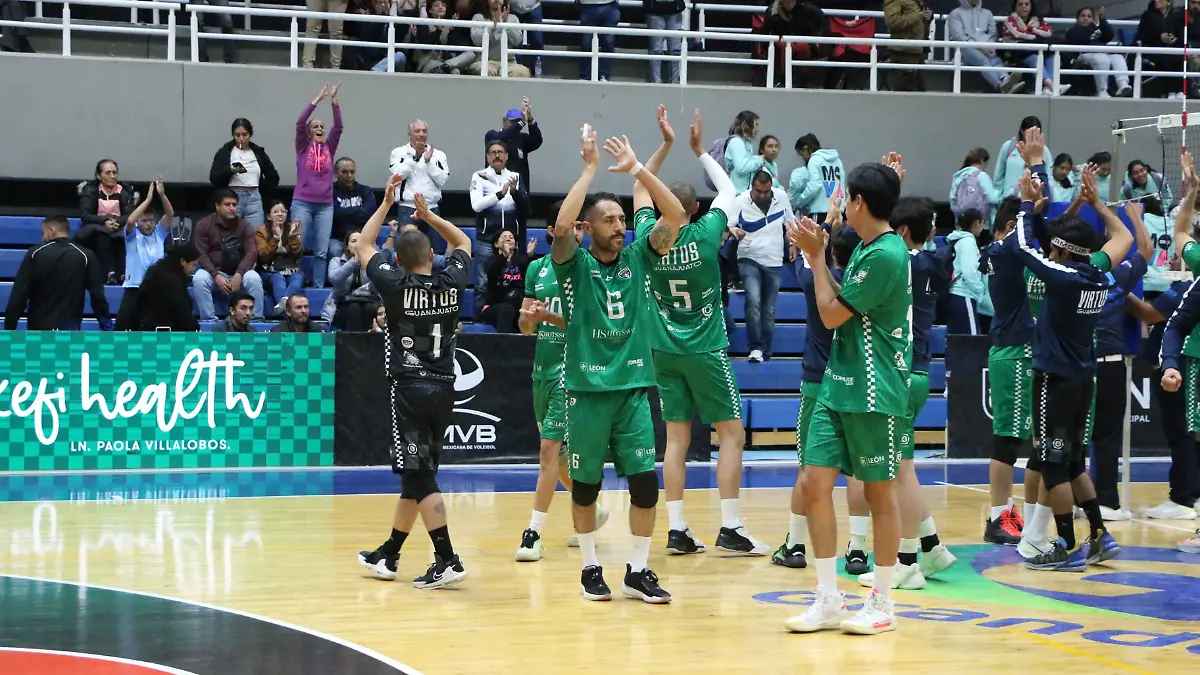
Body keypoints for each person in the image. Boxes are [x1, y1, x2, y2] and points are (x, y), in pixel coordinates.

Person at [551, 123, 687, 603]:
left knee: (646, 487)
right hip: (587, 392)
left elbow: (675, 214)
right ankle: (590, 567)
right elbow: (564, 228)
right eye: (609, 220)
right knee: (585, 488)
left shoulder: (639, 257)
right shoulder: (574, 264)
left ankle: (638, 569)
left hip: (632, 390)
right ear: (592, 228)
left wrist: (639, 171)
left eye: (621, 219)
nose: (620, 225)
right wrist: (590, 169)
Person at [783, 158, 907, 635]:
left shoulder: (886, 255)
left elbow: (832, 315)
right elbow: (844, 300)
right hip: (839, 385)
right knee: (815, 484)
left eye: (844, 197)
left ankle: (883, 602)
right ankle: (828, 597)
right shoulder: (869, 249)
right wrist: (820, 257)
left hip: (876, 390)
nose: (839, 204)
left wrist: (815, 258)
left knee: (879, 495)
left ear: (857, 202)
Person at [634, 107, 765, 556]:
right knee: (731, 434)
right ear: (695, 208)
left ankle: (676, 529)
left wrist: (664, 148)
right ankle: (730, 527)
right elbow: (731, 187)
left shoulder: (650, 236)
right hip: (706, 347)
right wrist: (696, 149)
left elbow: (638, 188)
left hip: (663, 350)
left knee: (675, 439)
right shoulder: (709, 230)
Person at [1013, 128, 1130, 572]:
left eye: (1056, 244)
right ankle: (1099, 533)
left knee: (1051, 462)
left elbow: (1025, 244)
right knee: (1074, 459)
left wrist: (1027, 199)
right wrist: (1098, 203)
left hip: (1054, 378)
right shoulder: (1097, 273)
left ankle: (1063, 543)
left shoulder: (1061, 277)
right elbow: (1118, 241)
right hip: (1083, 377)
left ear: (1062, 249)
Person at [355, 176, 474, 590]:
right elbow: (463, 244)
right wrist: (430, 216)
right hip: (445, 388)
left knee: (420, 476)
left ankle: (447, 558)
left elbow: (363, 246)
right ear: (431, 255)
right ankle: (390, 553)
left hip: (409, 388)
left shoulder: (395, 284)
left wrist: (387, 203)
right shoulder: (451, 281)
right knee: (415, 475)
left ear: (400, 262)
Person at [854, 195, 957, 591]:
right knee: (903, 468)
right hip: (919, 369)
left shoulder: (897, 261)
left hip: (900, 371)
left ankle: (908, 561)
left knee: (900, 473)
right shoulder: (930, 262)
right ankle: (930, 547)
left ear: (898, 233)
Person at [514, 201, 611, 561]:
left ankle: (532, 534)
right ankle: (593, 509)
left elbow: (589, 326)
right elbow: (525, 329)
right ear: (553, 231)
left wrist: (550, 316)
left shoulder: (590, 270)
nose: (575, 232)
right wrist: (531, 318)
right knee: (562, 458)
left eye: (579, 227)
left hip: (573, 372)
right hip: (543, 370)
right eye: (568, 227)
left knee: (548, 452)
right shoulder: (537, 269)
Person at [773, 209, 859, 570]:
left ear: (832, 251)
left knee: (809, 469)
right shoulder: (863, 285)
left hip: (817, 382)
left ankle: (794, 545)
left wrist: (824, 226)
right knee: (858, 472)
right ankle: (858, 549)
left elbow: (804, 258)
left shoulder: (812, 282)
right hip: (854, 383)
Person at [980, 196, 1037, 547]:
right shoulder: (1002, 251)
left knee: (1020, 439)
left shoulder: (1008, 253)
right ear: (1005, 228)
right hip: (1013, 352)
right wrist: (1028, 204)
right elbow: (1023, 238)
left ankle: (1008, 510)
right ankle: (995, 516)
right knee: (1008, 440)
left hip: (1022, 350)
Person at [1091, 200, 1152, 521]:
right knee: (1107, 434)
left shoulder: (1067, 278)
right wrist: (1132, 217)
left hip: (1081, 366)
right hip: (1110, 363)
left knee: (1076, 434)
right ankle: (1106, 502)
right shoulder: (1114, 280)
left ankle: (1076, 500)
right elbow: (1144, 248)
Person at [4, 215, 112, 331]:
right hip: (70, 331)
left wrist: (9, 328)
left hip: (38, 332)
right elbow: (98, 296)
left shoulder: (35, 254)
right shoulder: (85, 256)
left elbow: (19, 295)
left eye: (43, 233)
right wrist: (108, 328)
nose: (42, 238)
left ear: (51, 231)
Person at [732, 170, 792, 363]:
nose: (764, 195)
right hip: (748, 257)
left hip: (774, 259)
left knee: (769, 310)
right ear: (752, 187)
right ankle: (755, 347)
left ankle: (766, 349)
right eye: (759, 191)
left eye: (767, 191)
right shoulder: (739, 200)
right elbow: (728, 225)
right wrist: (735, 230)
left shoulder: (781, 197)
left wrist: (792, 244)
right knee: (753, 302)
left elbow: (790, 223)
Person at [292, 82, 344, 288]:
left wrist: (334, 102)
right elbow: (299, 123)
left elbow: (338, 128)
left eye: (322, 126)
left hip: (325, 205)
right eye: (315, 126)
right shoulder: (303, 146)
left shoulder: (329, 148)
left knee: (321, 251)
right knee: (298, 246)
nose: (320, 128)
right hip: (302, 203)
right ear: (309, 132)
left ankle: (319, 288)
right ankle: (297, 283)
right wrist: (317, 99)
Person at [471, 141, 529, 316]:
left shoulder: (515, 176)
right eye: (493, 152)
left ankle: (515, 319)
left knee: (514, 280)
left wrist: (515, 192)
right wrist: (500, 194)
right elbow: (477, 206)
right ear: (488, 156)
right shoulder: (479, 176)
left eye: (500, 152)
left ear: (506, 156)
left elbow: (526, 209)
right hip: (487, 238)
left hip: (511, 237)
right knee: (482, 283)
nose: (497, 155)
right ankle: (479, 322)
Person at [193, 189, 264, 321]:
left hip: (239, 274)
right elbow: (201, 254)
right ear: (217, 206)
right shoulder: (203, 225)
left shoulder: (245, 226)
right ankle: (208, 320)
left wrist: (239, 273)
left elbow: (252, 252)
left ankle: (256, 320)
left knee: (254, 278)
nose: (232, 208)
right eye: (227, 205)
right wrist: (215, 275)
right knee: (199, 278)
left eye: (234, 205)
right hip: (215, 273)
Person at [115, 179, 174, 331]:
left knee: (150, 328)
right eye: (144, 220)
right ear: (138, 222)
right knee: (122, 326)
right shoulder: (132, 236)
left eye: (151, 220)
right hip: (134, 286)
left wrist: (161, 195)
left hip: (155, 288)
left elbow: (170, 214)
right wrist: (147, 200)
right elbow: (129, 220)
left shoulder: (159, 233)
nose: (148, 224)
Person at [389, 120, 451, 253]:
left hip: (432, 208)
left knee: (434, 251)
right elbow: (398, 175)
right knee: (409, 251)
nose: (421, 134)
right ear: (409, 134)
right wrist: (416, 157)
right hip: (408, 208)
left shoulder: (438, 154)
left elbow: (442, 180)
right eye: (417, 131)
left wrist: (428, 162)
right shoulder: (398, 152)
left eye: (424, 131)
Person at [209, 118, 281, 227]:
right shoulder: (225, 152)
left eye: (244, 134)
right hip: (232, 196)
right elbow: (214, 178)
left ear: (250, 134)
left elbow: (273, 177)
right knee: (231, 235)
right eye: (237, 135)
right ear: (233, 135)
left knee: (256, 234)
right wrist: (230, 170)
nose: (241, 139)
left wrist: (261, 185)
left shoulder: (258, 152)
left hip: (254, 196)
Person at [77, 159, 136, 285]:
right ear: (99, 175)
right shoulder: (90, 190)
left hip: (118, 227)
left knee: (122, 237)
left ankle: (123, 274)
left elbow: (130, 215)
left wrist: (116, 222)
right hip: (96, 228)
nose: (112, 176)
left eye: (115, 173)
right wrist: (104, 221)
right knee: (103, 237)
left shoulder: (125, 191)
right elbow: (85, 215)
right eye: (108, 173)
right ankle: (110, 274)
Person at [947, 0, 1025, 94]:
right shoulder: (955, 14)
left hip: (987, 47)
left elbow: (993, 34)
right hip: (964, 49)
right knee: (982, 60)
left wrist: (989, 45)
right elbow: (959, 36)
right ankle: (999, 85)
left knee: (995, 60)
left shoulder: (987, 13)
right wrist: (979, 46)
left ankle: (1006, 80)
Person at [127, 243, 202, 332]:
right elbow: (182, 314)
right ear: (182, 261)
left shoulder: (155, 272)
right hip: (167, 335)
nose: (193, 269)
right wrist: (195, 327)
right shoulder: (173, 282)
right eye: (193, 264)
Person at [1001, 0, 1070, 95]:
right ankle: (1053, 87)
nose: (1024, 7)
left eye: (1027, 4)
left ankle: (1047, 89)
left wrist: (1031, 29)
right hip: (1018, 54)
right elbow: (1018, 34)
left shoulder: (1038, 20)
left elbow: (1048, 32)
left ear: (1031, 6)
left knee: (1052, 57)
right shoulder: (1009, 20)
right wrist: (1035, 34)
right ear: (1015, 7)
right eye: (1020, 4)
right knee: (1035, 58)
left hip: (1037, 50)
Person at [1066, 6, 1133, 97]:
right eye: (1083, 16)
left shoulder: (1096, 29)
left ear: (1093, 19)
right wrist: (1093, 27)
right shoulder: (1073, 31)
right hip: (1084, 55)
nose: (1086, 18)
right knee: (1102, 59)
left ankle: (1123, 86)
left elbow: (1109, 35)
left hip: (1103, 53)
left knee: (1118, 57)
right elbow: (1080, 38)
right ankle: (1102, 90)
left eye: (1089, 16)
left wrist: (1103, 21)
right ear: (1078, 18)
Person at [483, 98, 543, 193]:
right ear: (504, 121)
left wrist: (530, 120)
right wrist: (522, 122)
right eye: (513, 122)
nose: (516, 125)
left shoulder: (522, 138)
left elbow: (537, 141)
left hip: (519, 191)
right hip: (496, 191)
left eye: (518, 122)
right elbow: (504, 136)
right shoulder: (492, 135)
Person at [256, 200, 305, 313]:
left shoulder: (291, 228)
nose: (280, 214)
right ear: (269, 216)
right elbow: (263, 256)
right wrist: (276, 239)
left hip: (290, 267)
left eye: (283, 211)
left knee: (298, 278)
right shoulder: (262, 231)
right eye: (276, 212)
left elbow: (298, 254)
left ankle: (283, 306)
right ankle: (289, 311)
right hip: (269, 269)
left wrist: (293, 237)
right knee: (278, 278)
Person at [481, 231, 533, 333]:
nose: (508, 239)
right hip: (495, 307)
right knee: (507, 309)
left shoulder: (522, 260)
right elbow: (492, 275)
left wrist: (529, 257)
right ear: (496, 244)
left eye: (511, 237)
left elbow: (529, 280)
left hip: (517, 306)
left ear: (516, 244)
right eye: (504, 237)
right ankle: (502, 346)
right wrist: (504, 255)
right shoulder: (490, 261)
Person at [945, 208, 988, 335]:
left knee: (958, 342)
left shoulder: (957, 240)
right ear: (976, 223)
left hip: (955, 295)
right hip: (965, 296)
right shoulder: (968, 242)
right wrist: (980, 290)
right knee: (971, 341)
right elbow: (969, 271)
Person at [788, 134, 845, 223]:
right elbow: (842, 183)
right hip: (839, 209)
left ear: (805, 148)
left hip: (821, 210)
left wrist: (800, 200)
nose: (803, 158)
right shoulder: (838, 161)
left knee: (820, 236)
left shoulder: (814, 160)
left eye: (801, 154)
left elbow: (815, 185)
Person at [469, 0, 531, 77]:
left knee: (523, 73)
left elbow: (517, 41)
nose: (497, 0)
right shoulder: (478, 17)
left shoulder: (513, 18)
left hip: (509, 63)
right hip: (485, 61)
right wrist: (494, 25)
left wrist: (505, 23)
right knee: (481, 70)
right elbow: (477, 41)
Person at [950, 148, 1004, 223]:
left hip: (962, 223)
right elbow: (993, 199)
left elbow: (953, 203)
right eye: (986, 163)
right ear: (982, 160)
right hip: (981, 224)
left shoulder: (958, 177)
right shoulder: (982, 176)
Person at [724, 111, 762, 194]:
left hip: (744, 192)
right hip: (736, 193)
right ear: (746, 125)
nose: (758, 129)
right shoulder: (736, 142)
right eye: (756, 125)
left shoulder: (747, 143)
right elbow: (742, 167)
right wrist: (759, 160)